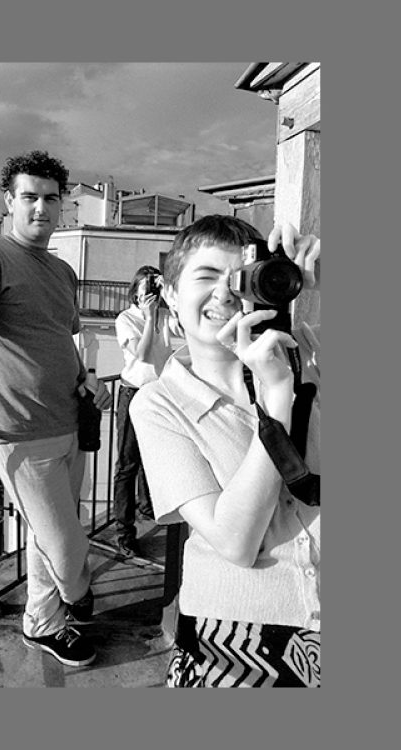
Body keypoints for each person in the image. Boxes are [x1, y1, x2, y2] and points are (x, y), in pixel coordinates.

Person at [130, 215, 323, 687]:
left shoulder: (311, 350)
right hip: (237, 641)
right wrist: (276, 401)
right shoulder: (158, 404)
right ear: (170, 294)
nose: (224, 293)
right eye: (206, 276)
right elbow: (236, 542)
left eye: (239, 278)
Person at [0, 150, 113, 668]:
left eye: (51, 199)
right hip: (20, 432)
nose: (41, 208)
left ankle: (43, 622)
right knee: (65, 546)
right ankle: (76, 595)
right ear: (9, 202)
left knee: (47, 535)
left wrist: (87, 378)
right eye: (30, 197)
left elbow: (62, 338)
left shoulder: (61, 270)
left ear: (62, 206)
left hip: (72, 422)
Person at [110, 265, 176, 558]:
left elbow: (189, 326)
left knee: (155, 459)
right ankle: (124, 533)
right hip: (133, 393)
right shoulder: (126, 319)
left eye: (153, 287)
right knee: (127, 465)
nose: (149, 293)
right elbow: (143, 354)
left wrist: (171, 294)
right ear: (134, 292)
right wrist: (149, 318)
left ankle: (148, 507)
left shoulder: (165, 315)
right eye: (144, 287)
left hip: (159, 394)